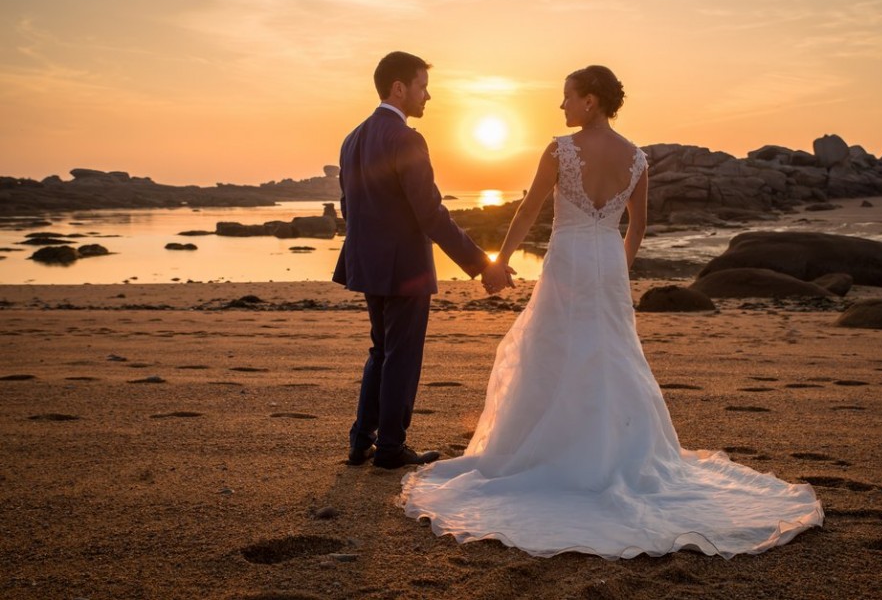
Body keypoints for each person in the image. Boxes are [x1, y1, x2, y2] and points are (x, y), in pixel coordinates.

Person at [401, 65, 823, 558]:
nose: (561, 107)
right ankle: (612, 455)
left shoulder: (560, 150)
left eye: (567, 97)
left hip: (567, 260)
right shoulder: (637, 159)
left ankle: (555, 457)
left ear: (591, 102)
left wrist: (502, 261)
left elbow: (528, 210)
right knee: (611, 354)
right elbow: (638, 226)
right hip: (606, 262)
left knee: (554, 349)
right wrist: (616, 269)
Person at [333, 51, 514, 470]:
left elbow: (348, 206)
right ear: (399, 88)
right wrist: (483, 263)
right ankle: (391, 448)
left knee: (381, 350)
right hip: (404, 269)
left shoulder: (352, 138)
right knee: (401, 354)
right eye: (422, 86)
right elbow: (430, 213)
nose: (427, 96)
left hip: (366, 264)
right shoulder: (407, 139)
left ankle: (362, 441)